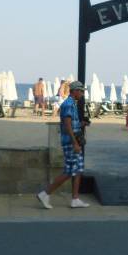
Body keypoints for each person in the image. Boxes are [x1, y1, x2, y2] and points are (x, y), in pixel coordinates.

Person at [37, 81, 89, 210]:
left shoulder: (72, 103)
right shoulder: (68, 104)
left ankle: (75, 199)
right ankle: (45, 193)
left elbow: (71, 123)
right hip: (71, 143)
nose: (82, 94)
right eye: (81, 91)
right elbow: (67, 125)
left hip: (73, 141)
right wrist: (75, 143)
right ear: (75, 91)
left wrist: (81, 124)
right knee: (69, 172)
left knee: (78, 170)